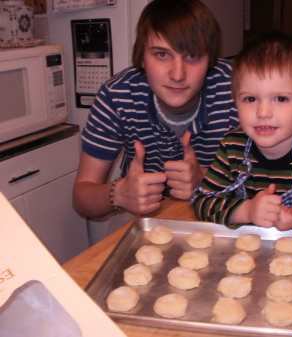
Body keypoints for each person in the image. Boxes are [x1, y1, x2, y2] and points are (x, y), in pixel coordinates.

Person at [72, 0, 239, 224]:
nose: (178, 74)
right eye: (162, 54)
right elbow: (82, 199)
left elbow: (275, 187)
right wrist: (119, 193)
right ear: (142, 57)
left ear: (210, 60)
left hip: (226, 220)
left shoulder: (239, 90)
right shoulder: (116, 96)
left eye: (192, 56)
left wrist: (210, 181)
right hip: (154, 226)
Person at [191, 31, 292, 236]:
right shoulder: (231, 148)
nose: (263, 113)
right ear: (235, 101)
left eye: (281, 99)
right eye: (250, 99)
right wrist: (247, 211)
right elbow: (203, 203)